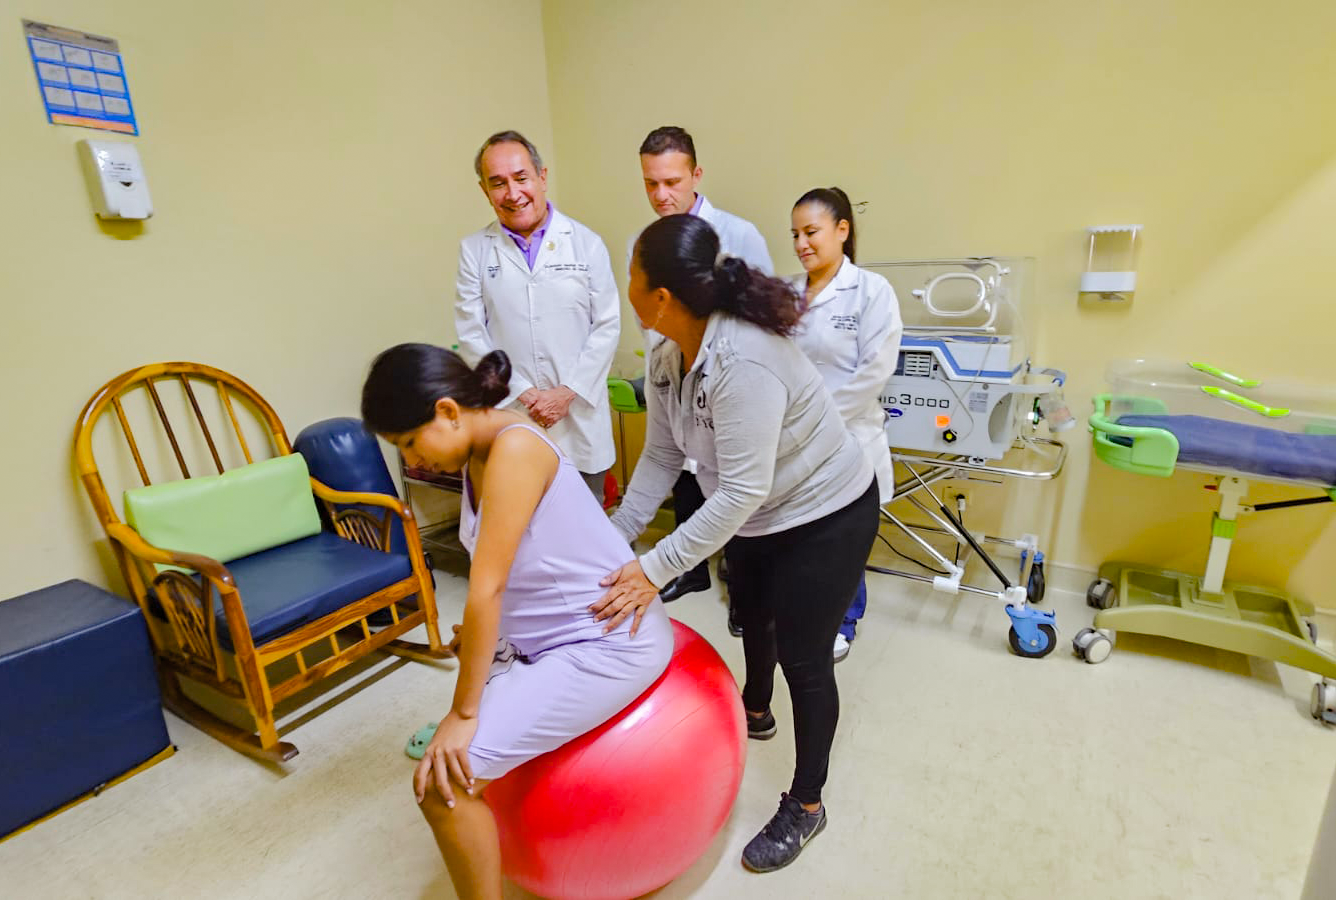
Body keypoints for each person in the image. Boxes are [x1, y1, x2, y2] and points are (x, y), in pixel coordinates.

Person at [594, 215, 880, 873]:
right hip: (758, 512)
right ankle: (756, 709)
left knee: (804, 659)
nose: (627, 287)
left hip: (826, 511)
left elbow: (739, 490)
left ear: (660, 296)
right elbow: (662, 458)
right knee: (751, 612)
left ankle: (807, 806)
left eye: (631, 276)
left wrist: (652, 569)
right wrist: (611, 541)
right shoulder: (670, 353)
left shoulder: (744, 357)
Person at [361, 344, 672, 900]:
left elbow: (487, 589)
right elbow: (526, 574)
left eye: (410, 442)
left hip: (603, 644)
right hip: (547, 642)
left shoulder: (513, 450)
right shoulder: (477, 454)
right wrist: (489, 643)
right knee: (448, 766)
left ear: (448, 411)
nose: (413, 461)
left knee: (440, 786)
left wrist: (463, 710)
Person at [628, 126, 773, 607]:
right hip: (679, 374)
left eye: (671, 181)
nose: (661, 194)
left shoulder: (737, 234)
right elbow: (658, 457)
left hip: (733, 389)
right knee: (687, 475)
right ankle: (697, 573)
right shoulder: (643, 241)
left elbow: (762, 321)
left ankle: (744, 587)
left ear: (696, 174)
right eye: (651, 183)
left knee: (738, 495)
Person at [455, 130, 620, 499]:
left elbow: (606, 326)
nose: (512, 194)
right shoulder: (474, 251)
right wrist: (525, 394)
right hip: (513, 413)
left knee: (585, 535)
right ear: (484, 190)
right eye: (497, 183)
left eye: (521, 178)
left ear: (542, 177)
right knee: (524, 533)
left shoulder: (586, 243)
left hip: (578, 413)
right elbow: (472, 336)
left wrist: (566, 393)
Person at [790, 187, 902, 663]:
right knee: (799, 535)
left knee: (842, 539)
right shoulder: (788, 294)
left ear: (842, 230)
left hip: (847, 439)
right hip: (792, 437)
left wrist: (819, 421)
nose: (801, 243)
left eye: (811, 232)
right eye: (794, 234)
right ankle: (802, 613)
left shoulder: (872, 292)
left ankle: (844, 622)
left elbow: (874, 371)